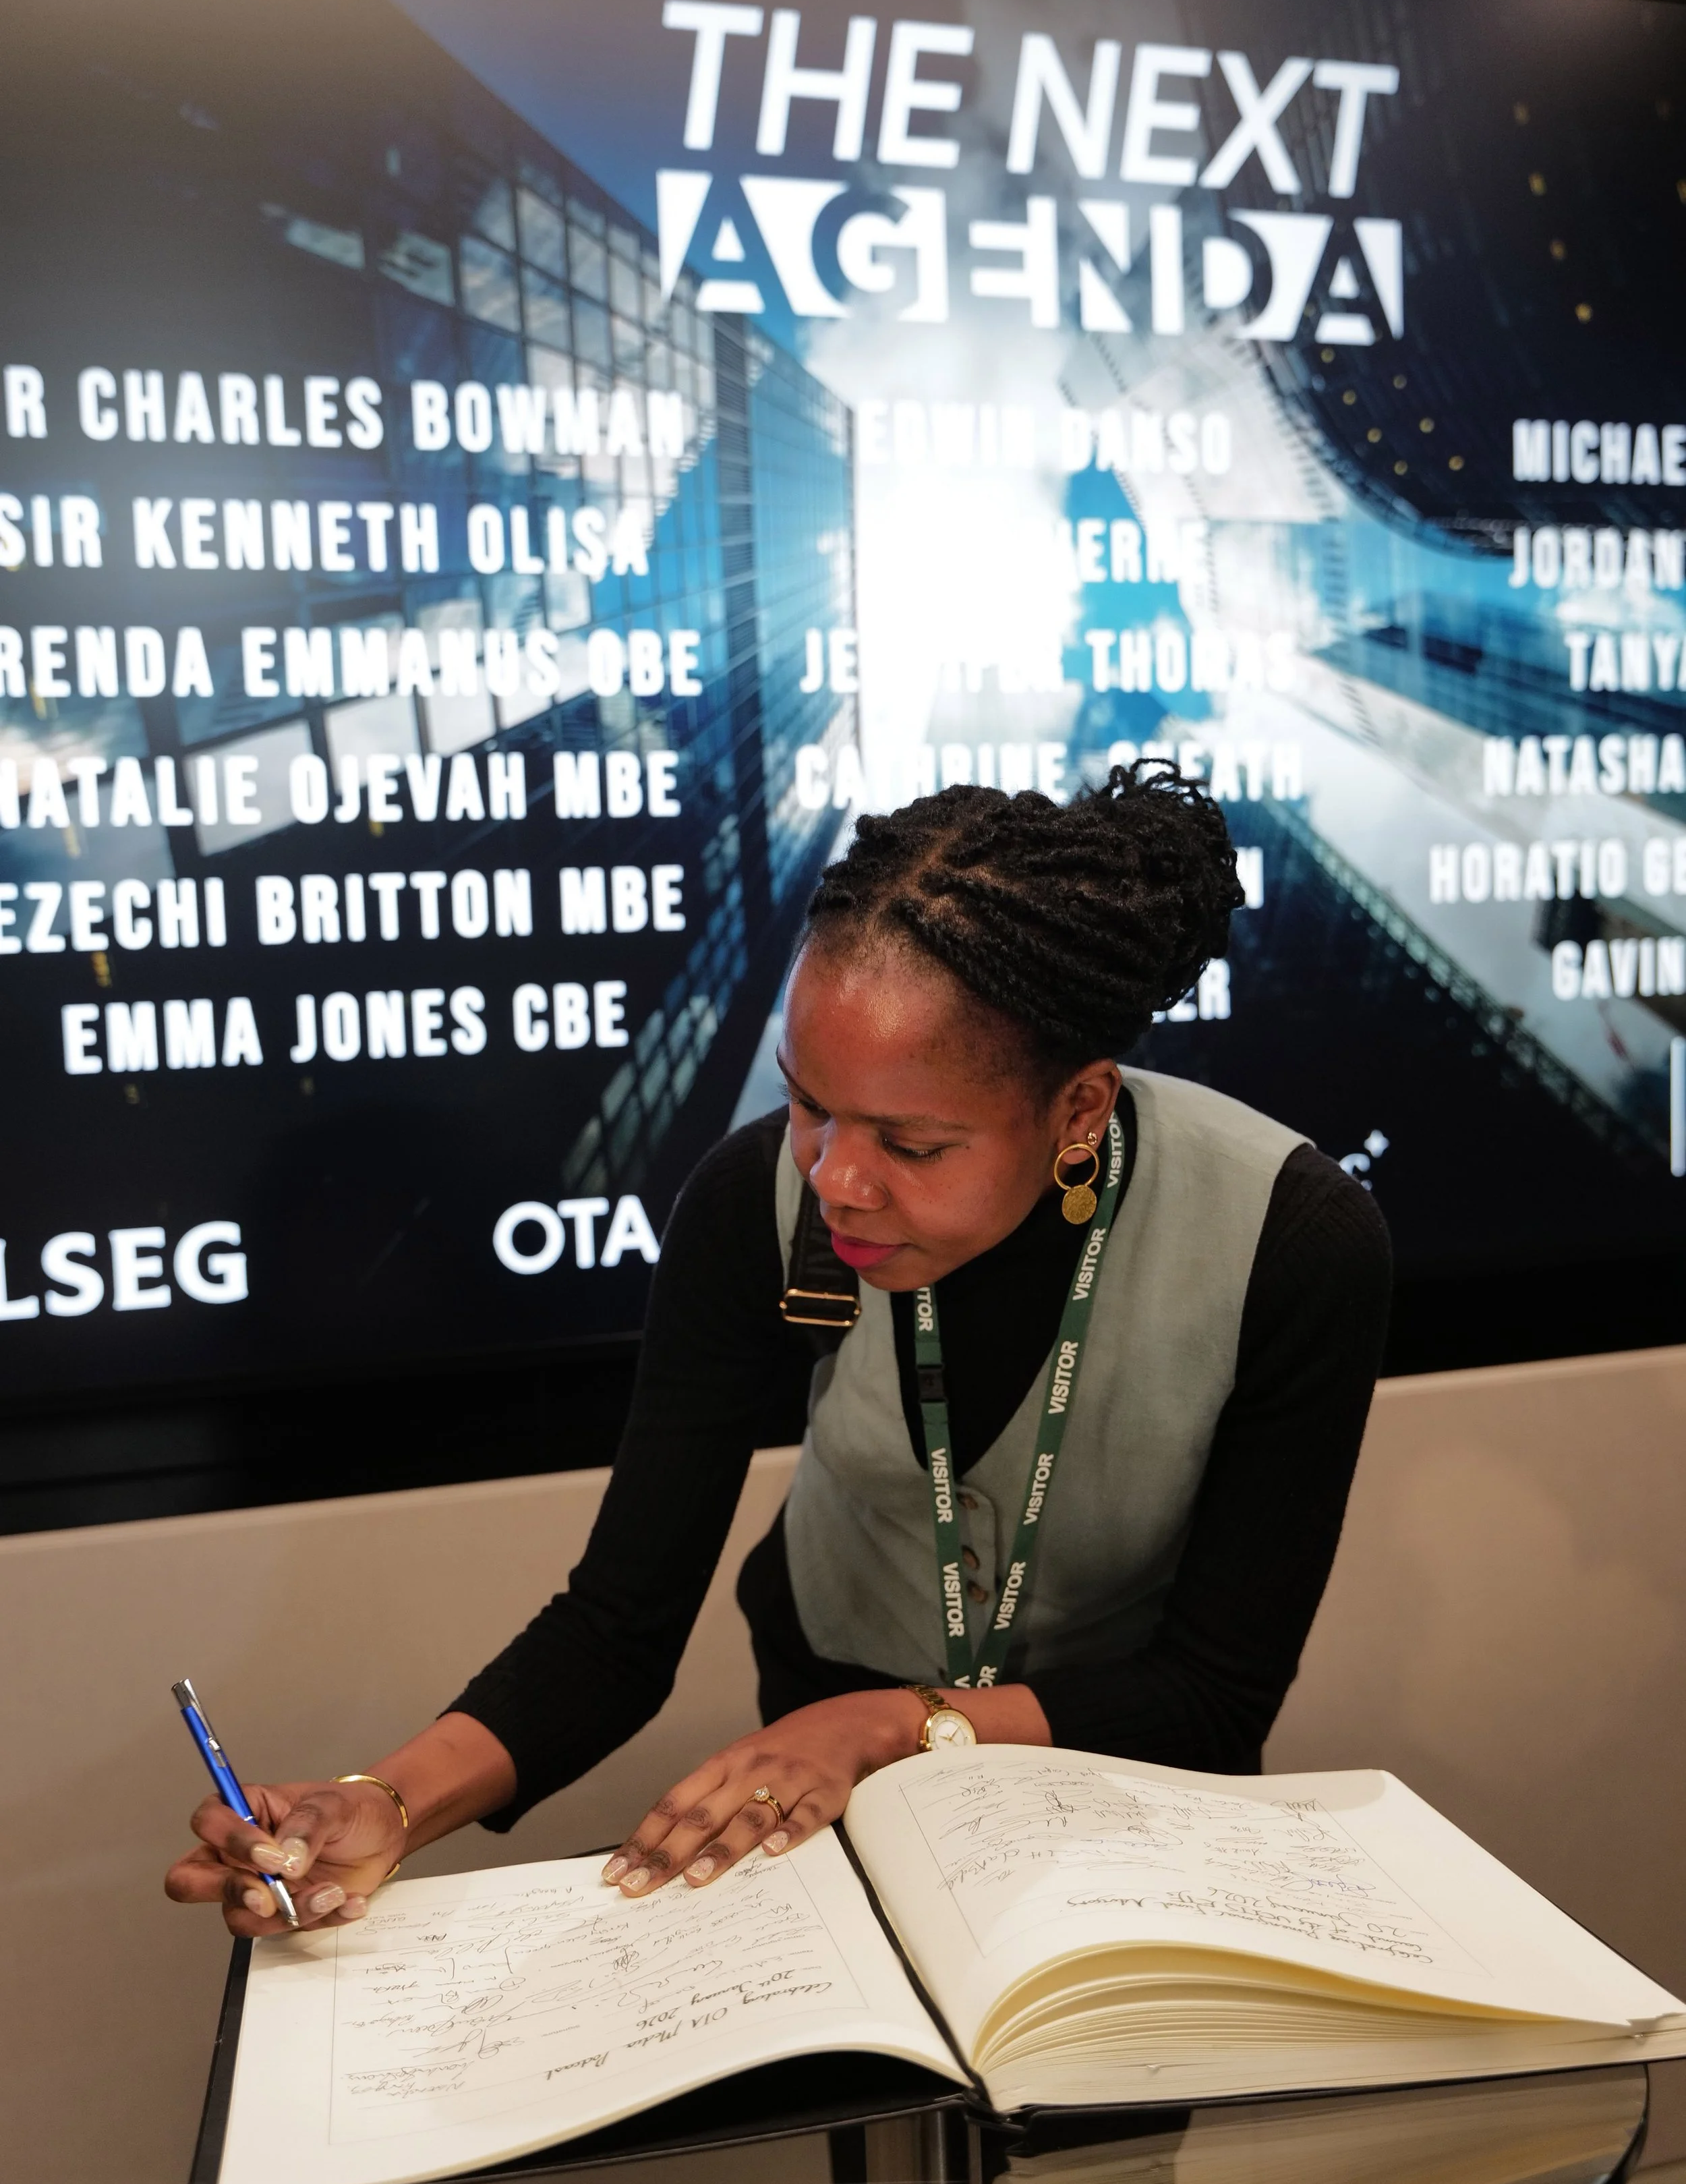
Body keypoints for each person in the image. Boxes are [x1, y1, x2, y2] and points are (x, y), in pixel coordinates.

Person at [166, 766, 1391, 1935]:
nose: (835, 1181)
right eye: (810, 1102)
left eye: (911, 1145)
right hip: (826, 1711)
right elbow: (617, 1626)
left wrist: (891, 1728)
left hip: (1127, 1755)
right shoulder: (749, 1200)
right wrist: (381, 1802)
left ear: (1078, 1108)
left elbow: (1215, 1695)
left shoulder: (1289, 1238)